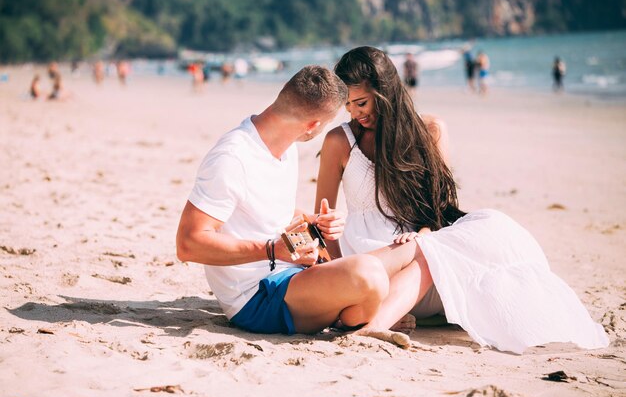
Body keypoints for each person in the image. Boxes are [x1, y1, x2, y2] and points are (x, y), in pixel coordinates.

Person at [315, 46, 609, 353]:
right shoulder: (340, 141)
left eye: (361, 102)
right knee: (429, 254)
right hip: (370, 264)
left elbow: (438, 208)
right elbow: (322, 222)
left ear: (385, 90)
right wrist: (340, 277)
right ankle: (377, 320)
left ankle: (383, 319)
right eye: (348, 106)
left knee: (489, 225)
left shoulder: (430, 130)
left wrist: (424, 235)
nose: (356, 113)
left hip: (422, 262)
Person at [176, 65, 422, 346]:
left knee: (414, 248)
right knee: (370, 274)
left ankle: (356, 310)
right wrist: (272, 249)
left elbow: (267, 214)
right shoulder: (232, 158)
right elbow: (188, 244)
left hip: (295, 273)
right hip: (257, 296)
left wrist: (313, 221)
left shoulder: (286, 148)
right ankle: (360, 310)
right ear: (313, 126)